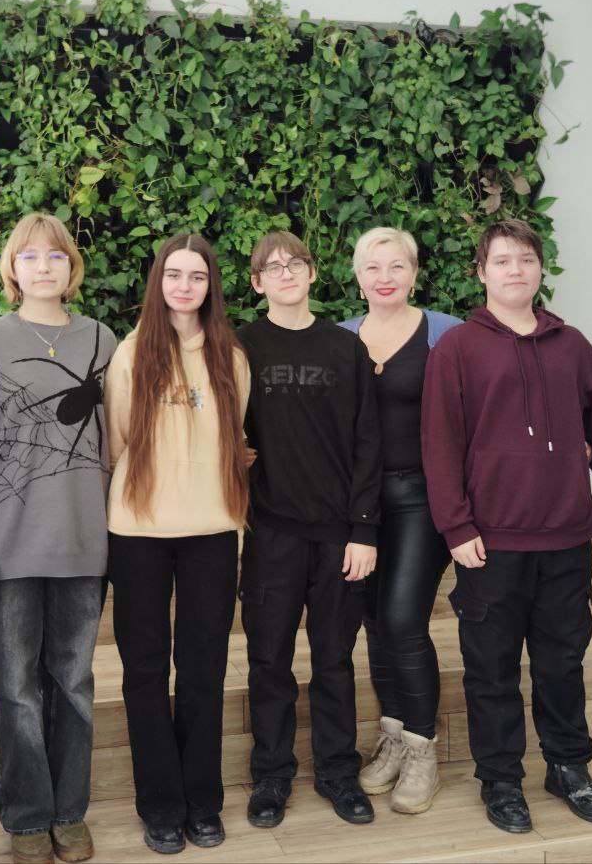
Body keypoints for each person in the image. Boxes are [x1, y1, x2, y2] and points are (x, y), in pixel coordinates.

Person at [421, 219, 592, 834]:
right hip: (490, 541)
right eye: (502, 261)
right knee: (491, 668)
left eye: (526, 259)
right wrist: (456, 527)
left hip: (567, 537)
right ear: (481, 272)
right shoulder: (457, 349)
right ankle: (500, 780)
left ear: (540, 269)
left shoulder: (572, 345)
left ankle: (568, 767)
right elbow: (440, 445)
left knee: (562, 662)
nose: (515, 270)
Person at [0, 212, 116, 864]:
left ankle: (69, 812)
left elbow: (121, 439)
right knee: (15, 689)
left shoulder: (103, 339)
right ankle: (27, 817)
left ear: (71, 266)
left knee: (74, 682)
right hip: (8, 545)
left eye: (55, 256)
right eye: (30, 256)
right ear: (12, 269)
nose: (44, 266)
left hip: (84, 540)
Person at [104, 233, 251, 855]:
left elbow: (235, 435)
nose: (184, 286)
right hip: (138, 530)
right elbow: (117, 442)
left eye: (197, 276)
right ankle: (160, 804)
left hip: (212, 530)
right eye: (174, 274)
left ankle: (202, 800)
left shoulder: (231, 357)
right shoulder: (131, 352)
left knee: (203, 667)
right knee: (144, 670)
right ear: (158, 282)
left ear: (211, 285)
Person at [235, 230, 382, 828]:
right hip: (270, 530)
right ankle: (271, 775)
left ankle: (338, 772)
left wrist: (364, 530)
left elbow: (369, 441)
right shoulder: (240, 348)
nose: (286, 273)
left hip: (338, 535)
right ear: (257, 283)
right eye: (272, 267)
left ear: (314, 273)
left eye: (295, 263)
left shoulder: (346, 348)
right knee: (269, 659)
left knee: (334, 658)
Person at [338, 226, 461, 815]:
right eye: (372, 267)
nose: (384, 277)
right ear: (357, 278)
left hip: (421, 497)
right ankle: (392, 736)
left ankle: (421, 749)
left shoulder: (446, 334)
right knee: (371, 621)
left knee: (402, 619)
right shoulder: (341, 338)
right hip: (359, 504)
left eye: (396, 266)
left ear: (414, 273)